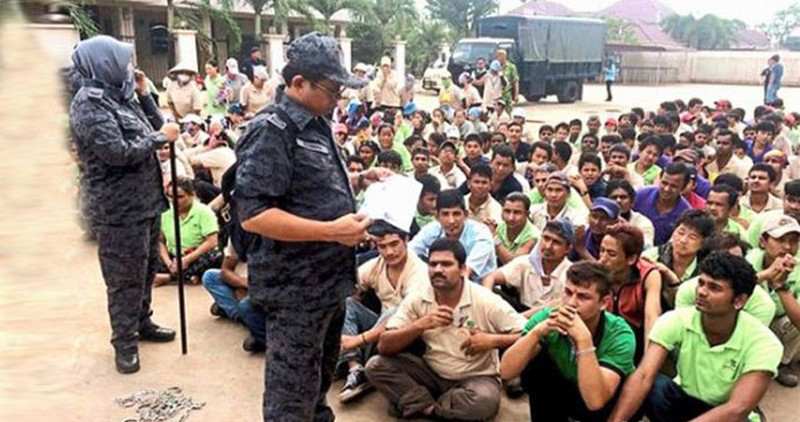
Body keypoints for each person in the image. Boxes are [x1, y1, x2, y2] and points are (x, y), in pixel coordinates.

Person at [233, 32, 390, 422]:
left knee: (319, 378)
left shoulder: (316, 121)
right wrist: (331, 231)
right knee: (291, 393)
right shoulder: (272, 129)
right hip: (295, 288)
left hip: (329, 282)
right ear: (298, 83)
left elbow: (308, 189)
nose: (339, 98)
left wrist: (360, 179)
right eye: (332, 89)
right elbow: (253, 214)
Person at [69, 35, 180, 373]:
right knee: (124, 279)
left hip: (145, 202)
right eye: (123, 62)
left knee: (147, 270)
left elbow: (157, 126)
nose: (129, 67)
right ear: (104, 64)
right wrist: (160, 139)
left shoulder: (120, 95)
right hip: (118, 210)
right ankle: (124, 342)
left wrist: (145, 94)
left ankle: (142, 322)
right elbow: (117, 153)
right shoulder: (90, 104)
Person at [608, 252, 783, 422]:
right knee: (655, 387)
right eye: (701, 283)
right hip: (685, 401)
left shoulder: (764, 343)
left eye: (714, 287)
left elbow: (738, 408)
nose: (701, 292)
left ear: (738, 301)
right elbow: (643, 376)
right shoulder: (677, 320)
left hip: (727, 413)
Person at [366, 238, 527, 420]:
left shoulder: (485, 299)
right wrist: (421, 324)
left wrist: (492, 340)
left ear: (462, 270)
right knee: (375, 366)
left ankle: (420, 406)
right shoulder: (419, 296)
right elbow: (384, 345)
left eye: (446, 264)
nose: (438, 270)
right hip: (432, 373)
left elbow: (526, 333)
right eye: (433, 264)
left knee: (485, 400)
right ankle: (435, 408)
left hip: (476, 378)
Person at [500, 261, 636, 422]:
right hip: (561, 392)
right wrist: (536, 333)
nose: (571, 303)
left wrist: (584, 340)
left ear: (604, 303)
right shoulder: (548, 317)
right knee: (534, 362)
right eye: (568, 292)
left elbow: (595, 401)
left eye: (583, 297)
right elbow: (506, 371)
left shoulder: (619, 334)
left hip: (599, 401)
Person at [337, 221, 428, 403]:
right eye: (382, 246)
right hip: (379, 330)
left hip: (409, 335)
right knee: (346, 304)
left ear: (406, 240)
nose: (389, 252)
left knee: (395, 312)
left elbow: (406, 315)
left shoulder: (419, 272)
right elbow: (347, 285)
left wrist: (357, 339)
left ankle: (356, 358)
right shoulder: (376, 265)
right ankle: (355, 368)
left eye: (394, 244)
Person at [746, 214, 800, 387]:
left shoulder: (798, 270)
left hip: (777, 325)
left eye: (793, 241)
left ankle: (781, 363)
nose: (787, 247)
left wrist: (781, 286)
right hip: (746, 322)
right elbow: (730, 288)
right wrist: (765, 275)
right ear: (763, 241)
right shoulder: (749, 258)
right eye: (780, 240)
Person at [483, 219, 573, 316]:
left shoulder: (571, 273)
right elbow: (490, 277)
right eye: (546, 238)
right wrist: (488, 302)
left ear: (567, 248)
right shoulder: (526, 263)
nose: (548, 246)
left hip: (551, 319)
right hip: (521, 311)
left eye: (556, 242)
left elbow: (558, 304)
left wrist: (519, 318)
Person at [599, 224, 662, 361]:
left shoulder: (649, 275)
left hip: (637, 348)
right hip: (603, 346)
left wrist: (647, 365)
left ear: (631, 259)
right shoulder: (597, 274)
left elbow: (651, 318)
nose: (603, 259)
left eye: (611, 254)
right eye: (601, 251)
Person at [409, 189, 497, 282]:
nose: (451, 221)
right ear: (437, 217)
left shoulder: (481, 234)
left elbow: (465, 273)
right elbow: (409, 252)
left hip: (480, 287)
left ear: (466, 215)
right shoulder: (431, 229)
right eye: (445, 214)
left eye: (456, 214)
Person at [155, 177, 222, 286]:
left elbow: (212, 242)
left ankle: (170, 277)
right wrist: (169, 263)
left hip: (196, 255)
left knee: (215, 256)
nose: (174, 200)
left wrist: (187, 259)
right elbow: (160, 241)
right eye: (170, 196)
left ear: (192, 195)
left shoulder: (204, 212)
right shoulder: (165, 213)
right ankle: (187, 276)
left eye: (180, 197)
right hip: (174, 256)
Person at [642, 210, 715, 308]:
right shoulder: (652, 256)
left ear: (703, 242)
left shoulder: (706, 267)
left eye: (692, 237)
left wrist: (670, 276)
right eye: (680, 232)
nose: (683, 240)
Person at [633, 162, 692, 246]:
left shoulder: (686, 213)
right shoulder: (641, 195)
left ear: (683, 187)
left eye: (673, 186)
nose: (667, 189)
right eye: (664, 183)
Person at [491, 192, 539, 265]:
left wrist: (495, 238)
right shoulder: (498, 227)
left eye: (517, 212)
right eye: (507, 211)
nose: (511, 218)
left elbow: (512, 264)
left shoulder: (533, 236)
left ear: (527, 214)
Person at [606, 179, 655, 248]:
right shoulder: (598, 220)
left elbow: (647, 249)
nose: (618, 201)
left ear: (632, 202)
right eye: (614, 197)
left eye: (623, 197)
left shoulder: (643, 223)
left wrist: (630, 229)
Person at [572, 197, 620, 262]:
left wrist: (582, 250)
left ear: (615, 222)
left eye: (603, 218)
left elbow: (605, 270)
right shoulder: (583, 235)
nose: (597, 222)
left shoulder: (619, 241)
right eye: (594, 216)